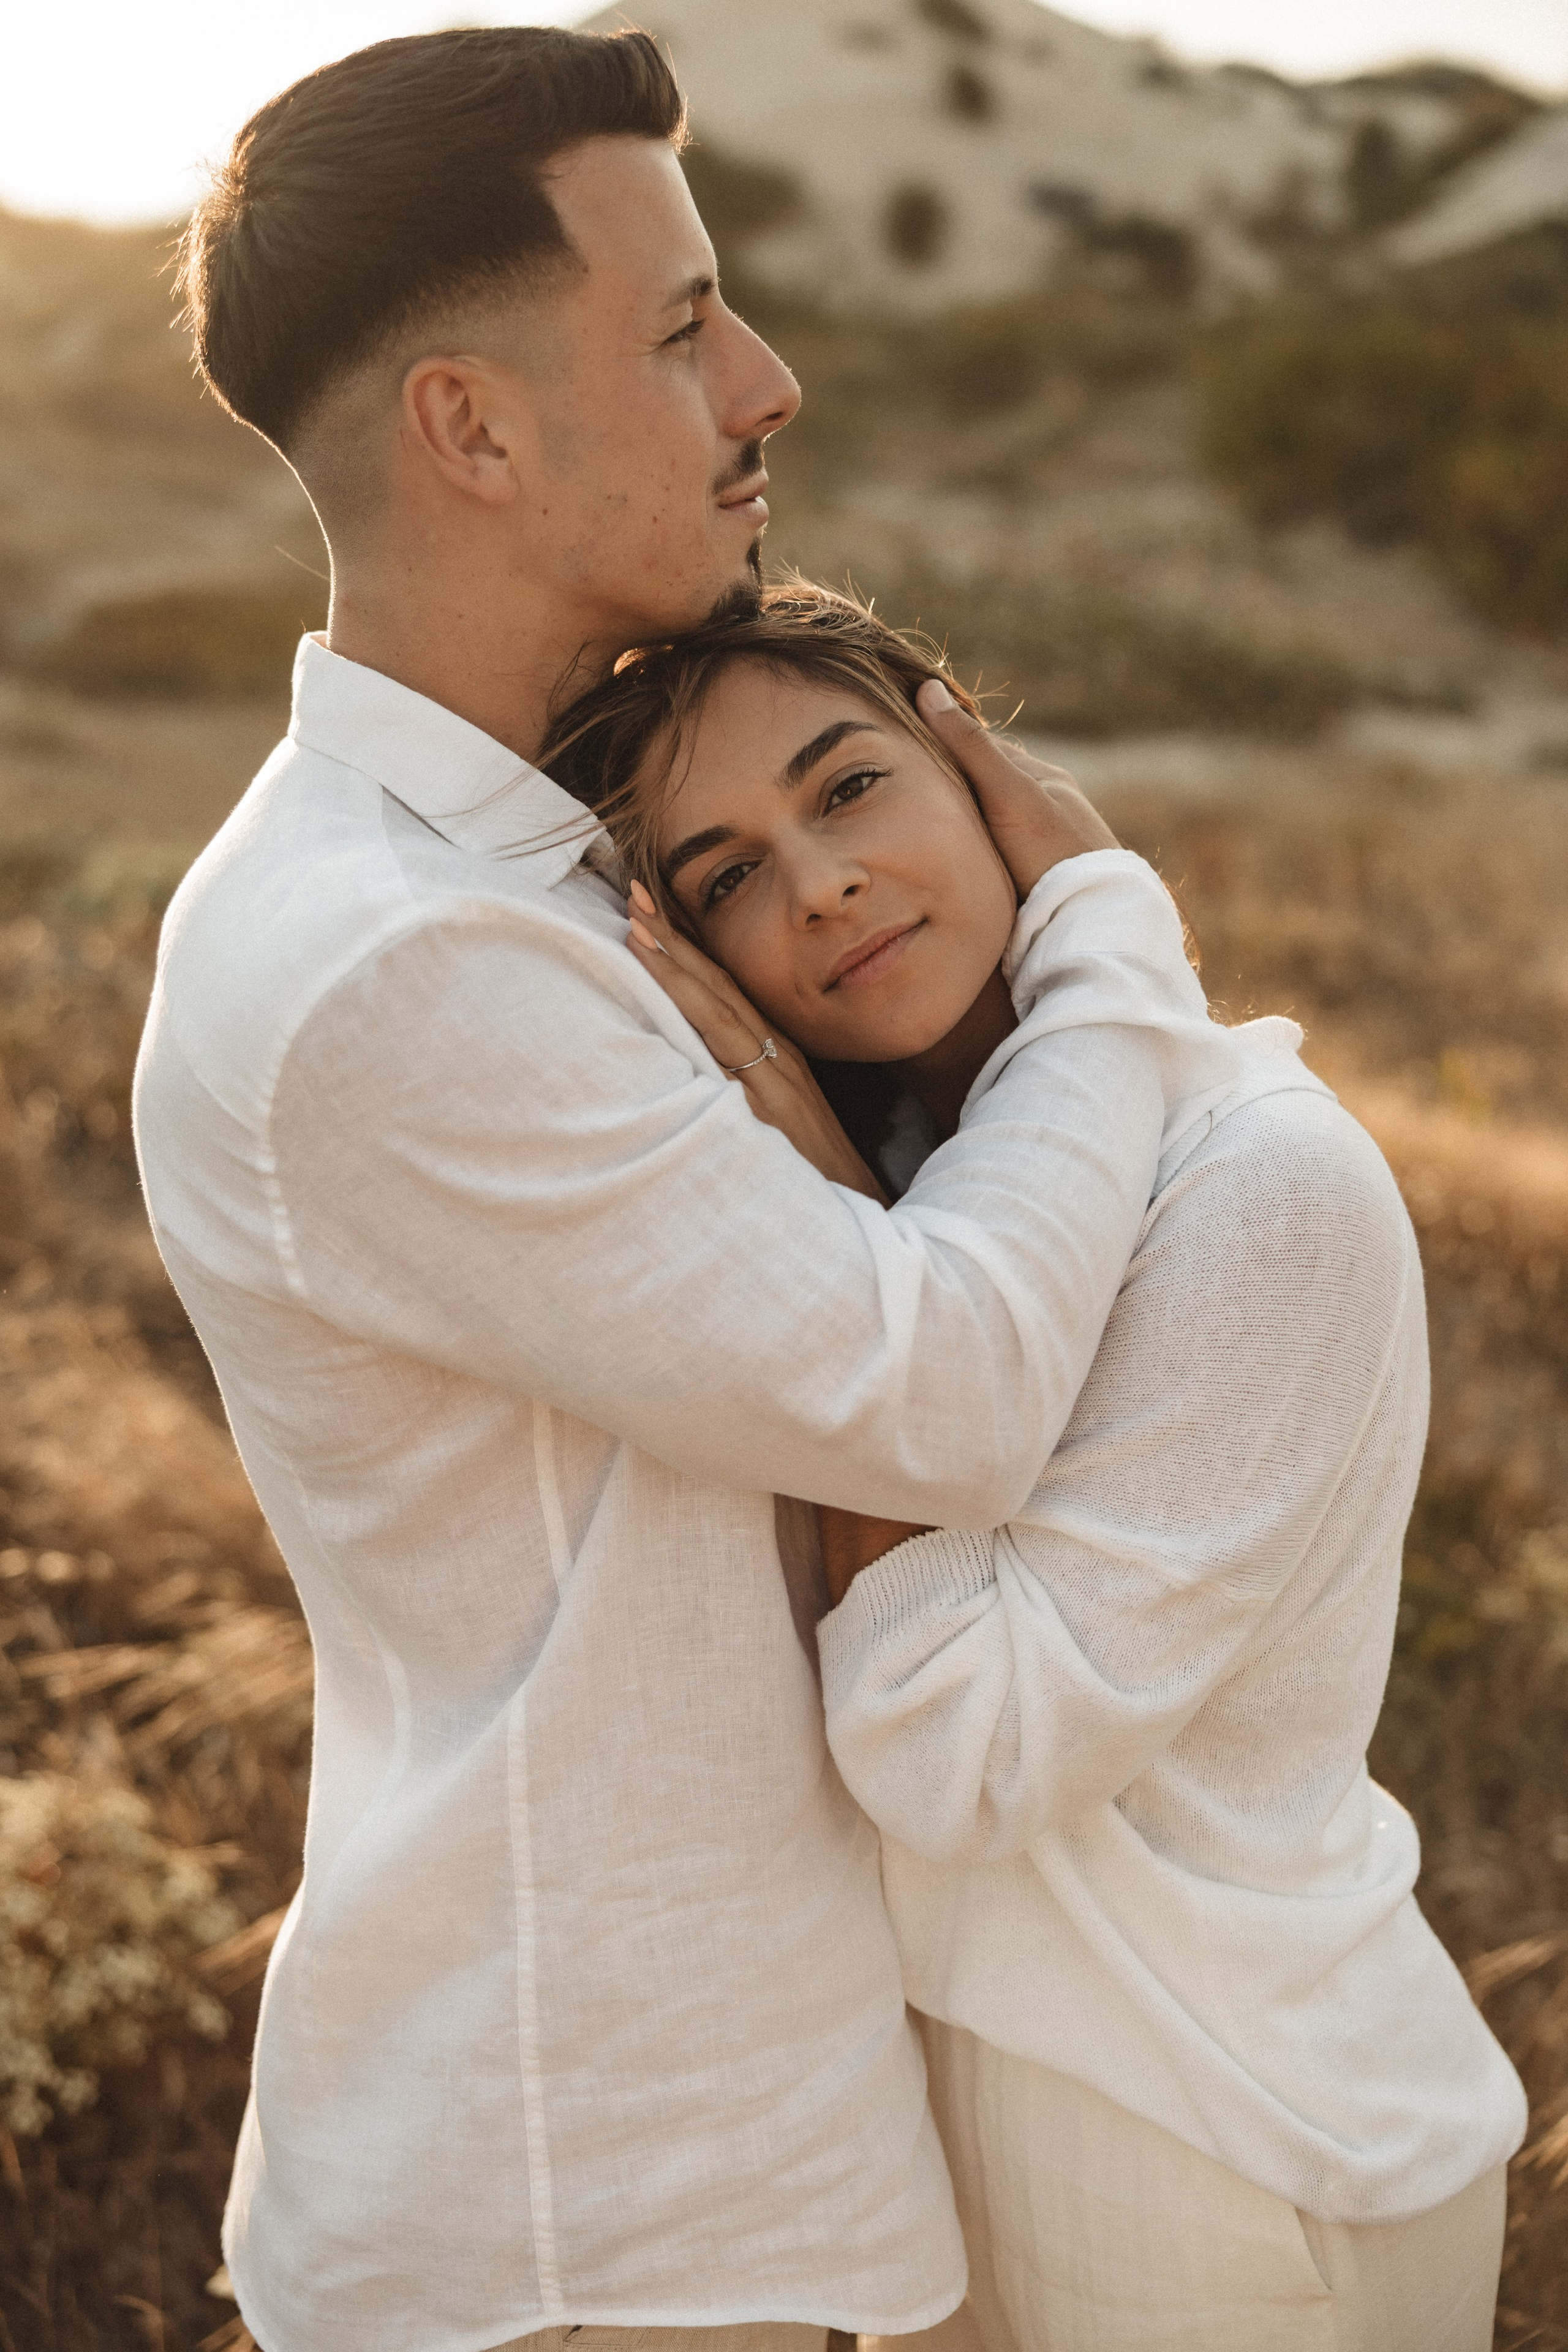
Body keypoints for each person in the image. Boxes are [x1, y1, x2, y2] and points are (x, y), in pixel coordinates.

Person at [134, 28, 1226, 2352]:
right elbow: (940, 1396)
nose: (768, 378)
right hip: (592, 2219)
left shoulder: (525, 873)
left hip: (715, 2160)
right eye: (677, 323)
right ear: (472, 428)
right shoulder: (397, 959)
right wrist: (1110, 934)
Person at [540, 581, 1528, 2352]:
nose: (818, 884)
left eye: (847, 790)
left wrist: (827, 1241)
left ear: (972, 764)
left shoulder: (1256, 1186)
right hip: (1032, 2092)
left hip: (1215, 2135)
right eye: (727, 877)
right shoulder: (949, 1164)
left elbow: (967, 1753)